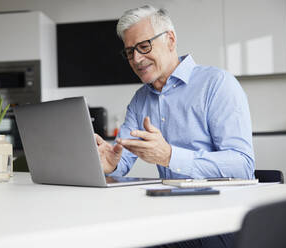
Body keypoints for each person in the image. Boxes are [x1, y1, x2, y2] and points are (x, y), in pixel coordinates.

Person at [94, 5, 255, 248]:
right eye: (130, 52)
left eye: (144, 46)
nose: (137, 59)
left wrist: (170, 156)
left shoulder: (217, 84)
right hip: (171, 217)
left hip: (221, 221)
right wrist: (111, 164)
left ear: (170, 39)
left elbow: (243, 165)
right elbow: (122, 160)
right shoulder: (140, 100)